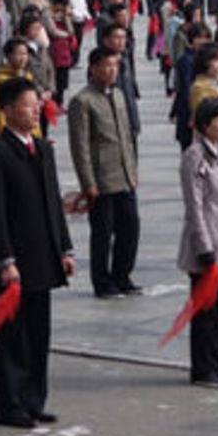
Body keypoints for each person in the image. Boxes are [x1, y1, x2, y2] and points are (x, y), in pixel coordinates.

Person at [0, 76, 77, 429]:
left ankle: (34, 399)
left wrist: (65, 248)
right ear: (6, 110)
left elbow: (53, 204)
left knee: (38, 335)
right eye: (27, 105)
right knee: (11, 339)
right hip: (14, 263)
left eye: (36, 104)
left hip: (43, 258)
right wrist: (5, 261)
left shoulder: (43, 150)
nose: (35, 111)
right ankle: (10, 404)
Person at [179, 96, 218, 387]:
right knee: (205, 311)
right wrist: (204, 246)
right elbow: (194, 206)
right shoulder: (195, 155)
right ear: (205, 124)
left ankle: (215, 364)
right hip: (206, 244)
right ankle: (202, 368)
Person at [68, 46, 142, 298]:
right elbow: (80, 147)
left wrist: (132, 168)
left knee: (130, 227)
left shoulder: (119, 95)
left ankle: (122, 276)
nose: (112, 71)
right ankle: (102, 282)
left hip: (124, 174)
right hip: (101, 178)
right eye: (107, 66)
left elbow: (127, 136)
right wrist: (88, 183)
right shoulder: (82, 101)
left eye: (116, 66)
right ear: (93, 68)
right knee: (102, 233)